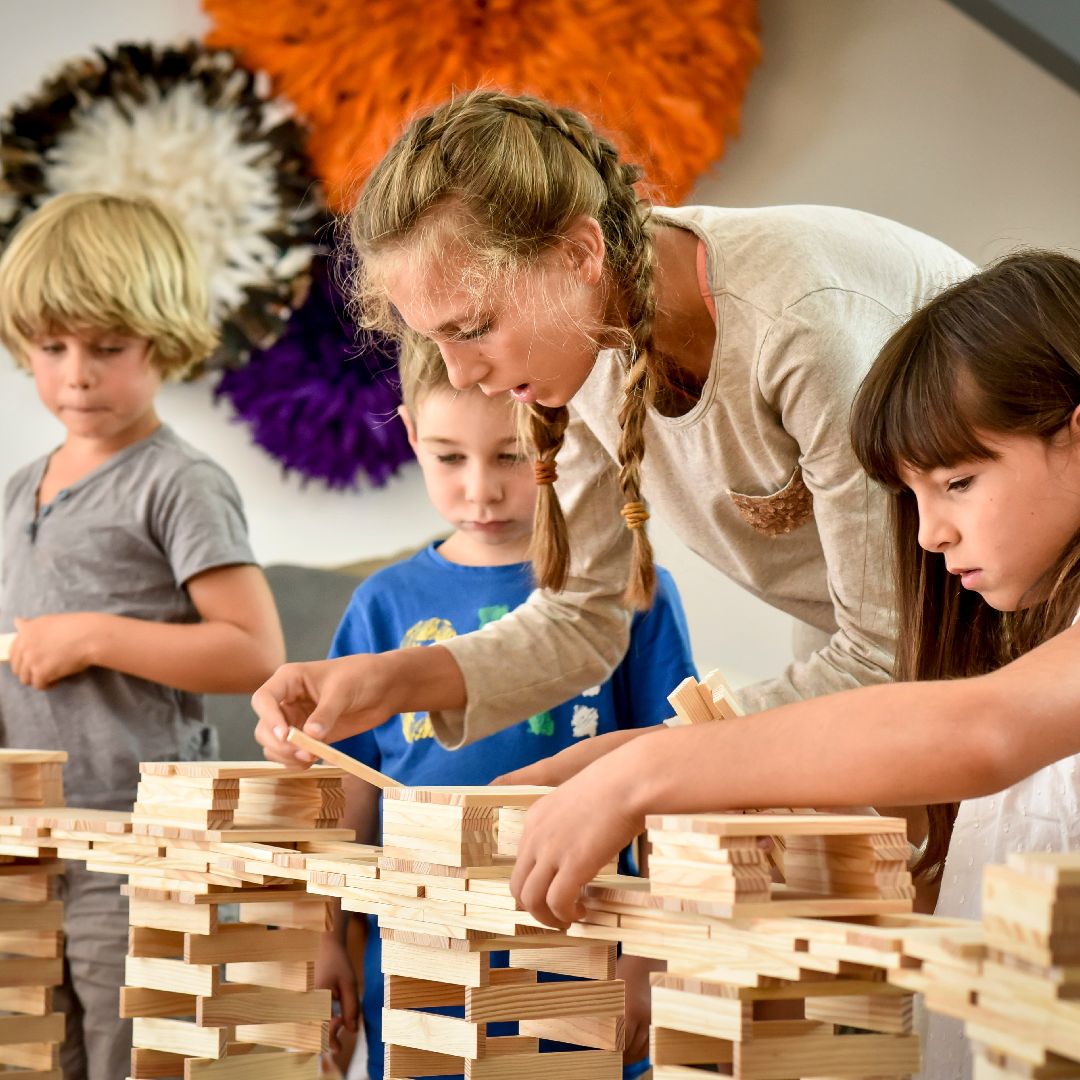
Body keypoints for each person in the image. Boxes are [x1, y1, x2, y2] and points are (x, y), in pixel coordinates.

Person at [254, 90, 972, 771]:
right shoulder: (578, 338)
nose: (464, 375)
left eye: (473, 328)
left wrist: (636, 766)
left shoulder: (800, 323)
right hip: (876, 662)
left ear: (579, 253)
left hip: (1006, 637)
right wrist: (392, 681)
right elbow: (583, 615)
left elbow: (887, 651)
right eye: (435, 340)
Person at [499, 250, 1080, 1079]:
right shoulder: (1026, 643)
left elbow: (982, 730)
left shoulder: (1013, 695)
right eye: (913, 495)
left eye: (958, 481)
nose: (928, 535)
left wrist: (654, 769)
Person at [316, 336, 697, 1079]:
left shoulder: (629, 591)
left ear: (562, 436)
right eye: (449, 458)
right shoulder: (382, 605)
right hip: (421, 969)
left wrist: (653, 954)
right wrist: (328, 935)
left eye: (513, 457)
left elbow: (674, 776)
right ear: (410, 435)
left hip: (583, 958)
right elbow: (347, 790)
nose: (481, 490)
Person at [0, 191, 285, 1080]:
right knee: (34, 1049)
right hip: (30, 835)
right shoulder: (20, 488)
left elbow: (251, 650)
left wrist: (91, 635)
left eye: (106, 349)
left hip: (130, 834)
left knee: (134, 1046)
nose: (75, 375)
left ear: (160, 343)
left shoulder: (179, 484)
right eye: (51, 348)